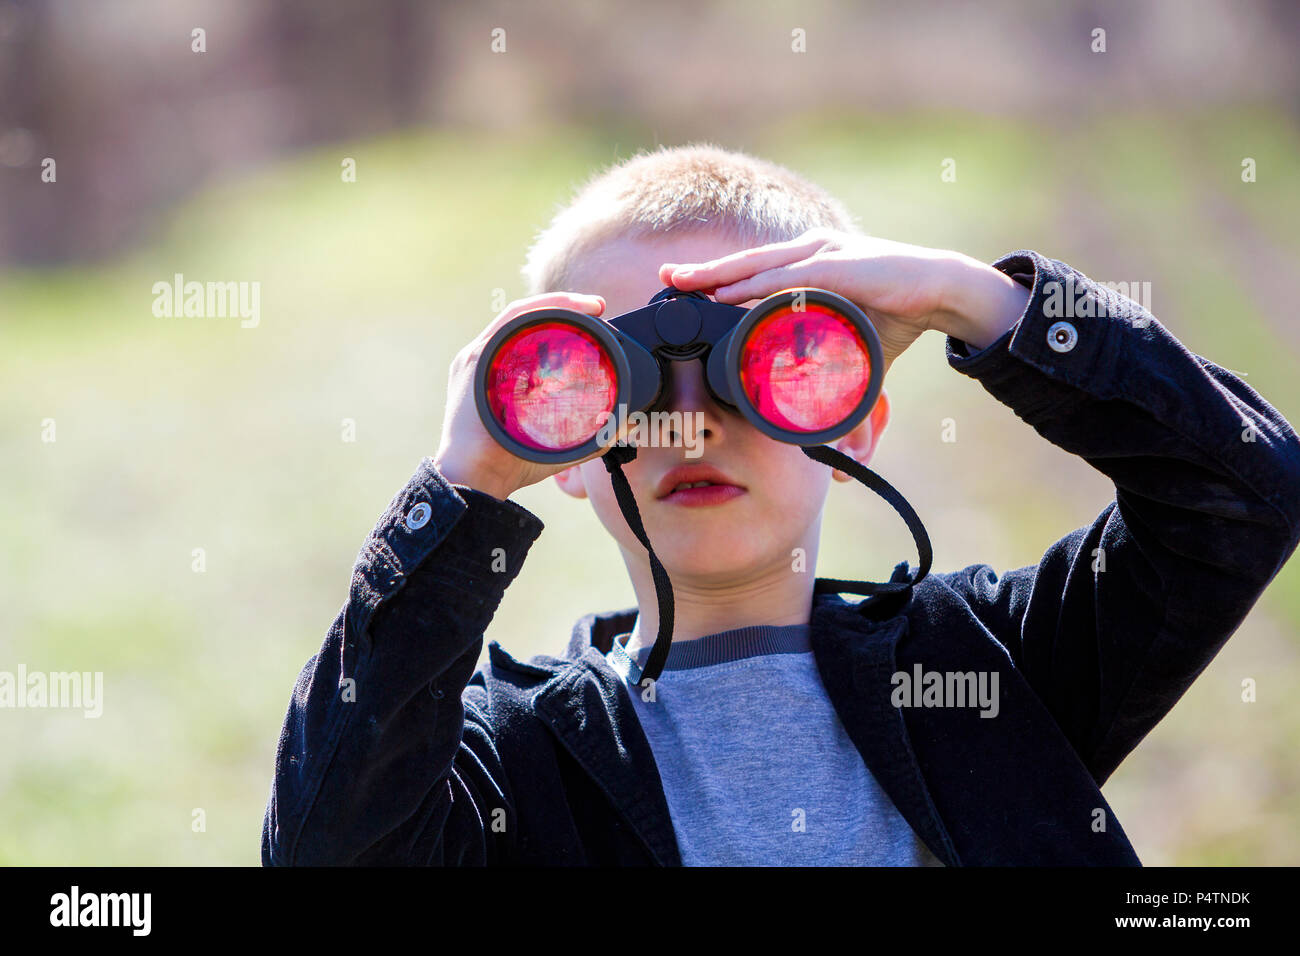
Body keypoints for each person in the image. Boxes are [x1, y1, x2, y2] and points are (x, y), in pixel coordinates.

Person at [261, 145, 1300, 865]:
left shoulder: (988, 668)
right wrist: (462, 487)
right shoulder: (520, 754)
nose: (691, 423)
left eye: (760, 367)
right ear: (564, 450)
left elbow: (1240, 494)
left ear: (852, 425)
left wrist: (976, 296)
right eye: (613, 387)